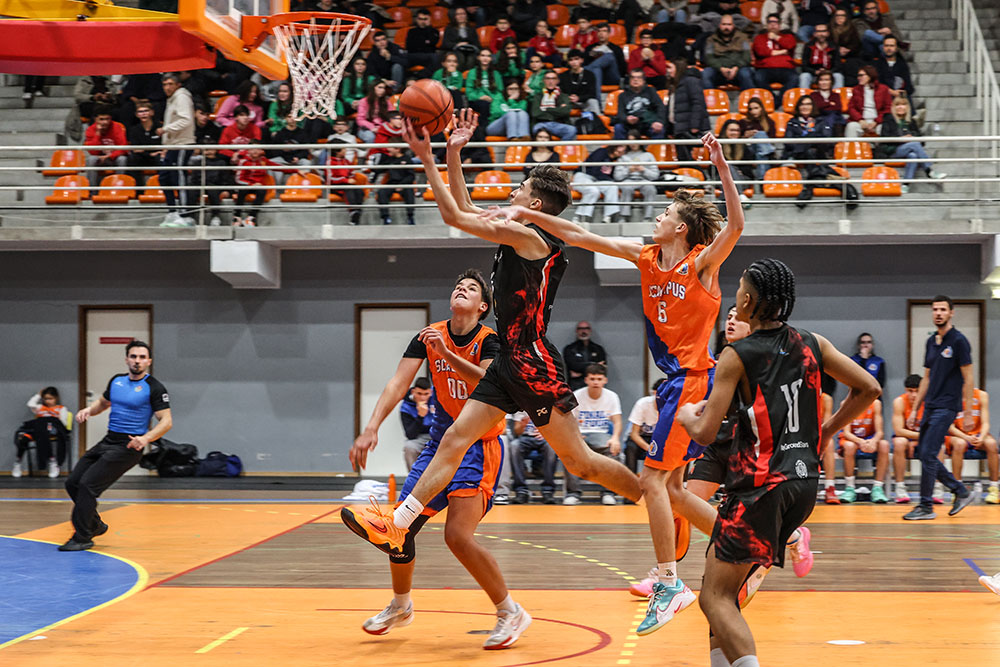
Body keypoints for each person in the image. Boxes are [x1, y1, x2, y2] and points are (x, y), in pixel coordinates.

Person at [341, 111, 643, 565]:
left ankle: (659, 499)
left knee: (580, 463)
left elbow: (450, 214)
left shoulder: (530, 238)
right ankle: (398, 525)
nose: (513, 191)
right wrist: (453, 154)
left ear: (536, 205)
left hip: (535, 361)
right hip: (510, 360)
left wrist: (426, 158)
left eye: (520, 188)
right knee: (454, 438)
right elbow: (462, 209)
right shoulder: (519, 232)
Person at [490, 133, 745, 635]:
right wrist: (530, 215)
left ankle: (669, 580)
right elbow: (582, 235)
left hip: (697, 379)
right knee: (670, 487)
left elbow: (736, 224)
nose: (658, 218)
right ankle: (748, 546)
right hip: (673, 384)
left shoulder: (702, 264)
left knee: (652, 480)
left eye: (666, 214)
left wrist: (720, 166)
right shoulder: (646, 257)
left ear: (683, 227)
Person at [676, 258, 881, 667]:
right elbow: (869, 387)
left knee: (713, 599)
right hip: (803, 485)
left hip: (759, 487)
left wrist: (685, 416)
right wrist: (826, 430)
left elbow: (703, 431)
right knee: (726, 597)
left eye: (738, 289)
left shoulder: (738, 355)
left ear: (749, 301)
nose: (735, 296)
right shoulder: (813, 343)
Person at [347, 269, 530, 650]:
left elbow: (488, 381)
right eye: (458, 286)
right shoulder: (429, 335)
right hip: (439, 444)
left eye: (472, 288)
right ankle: (401, 605)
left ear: (483, 307)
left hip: (479, 445)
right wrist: (371, 427)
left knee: (457, 537)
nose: (461, 289)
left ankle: (510, 611)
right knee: (400, 531)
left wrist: (446, 355)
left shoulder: (491, 341)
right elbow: (398, 383)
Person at [672, 304, 814, 604]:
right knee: (684, 503)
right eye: (729, 317)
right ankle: (666, 575)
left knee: (742, 520)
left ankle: (769, 549)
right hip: (716, 446)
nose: (731, 321)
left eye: (738, 317)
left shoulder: (764, 362)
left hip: (749, 449)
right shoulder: (715, 359)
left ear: (754, 325)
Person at [61, 340, 171, 551]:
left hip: (129, 446)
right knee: (73, 483)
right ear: (127, 359)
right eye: (133, 356)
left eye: (141, 357)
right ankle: (95, 524)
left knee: (87, 486)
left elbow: (166, 422)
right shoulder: (117, 382)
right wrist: (88, 410)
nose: (137, 361)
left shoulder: (154, 387)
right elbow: (102, 404)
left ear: (148, 361)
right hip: (108, 440)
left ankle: (83, 537)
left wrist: (146, 438)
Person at [902, 296, 976, 520]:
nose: (938, 313)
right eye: (935, 310)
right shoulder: (931, 342)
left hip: (947, 406)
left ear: (951, 313)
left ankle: (926, 506)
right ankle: (960, 491)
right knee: (923, 454)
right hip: (931, 406)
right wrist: (915, 409)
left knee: (928, 453)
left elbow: (969, 377)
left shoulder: (959, 341)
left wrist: (970, 412)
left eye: (943, 310)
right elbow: (926, 377)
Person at [564, 363, 623, 505]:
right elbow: (569, 420)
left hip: (602, 436)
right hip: (581, 435)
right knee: (568, 452)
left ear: (605, 380)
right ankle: (573, 493)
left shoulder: (612, 397)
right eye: (592, 379)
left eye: (599, 379)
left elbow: (618, 422)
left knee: (615, 453)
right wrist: (575, 435)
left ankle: (609, 492)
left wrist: (615, 438)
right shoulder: (577, 395)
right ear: (586, 380)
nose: (595, 382)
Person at [826, 397, 890, 503]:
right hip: (852, 439)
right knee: (849, 447)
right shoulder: (846, 403)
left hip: (869, 439)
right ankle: (850, 488)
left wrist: (873, 441)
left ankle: (877, 488)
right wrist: (860, 442)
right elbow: (846, 433)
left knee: (884, 445)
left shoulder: (876, 403)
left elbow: (880, 432)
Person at [879, 96, 945, 192]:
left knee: (913, 155)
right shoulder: (888, 120)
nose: (900, 107)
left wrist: (912, 138)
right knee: (914, 144)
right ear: (893, 107)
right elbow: (884, 140)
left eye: (903, 104)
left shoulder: (911, 122)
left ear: (907, 107)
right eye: (897, 105)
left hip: (909, 151)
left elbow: (922, 142)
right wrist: (901, 139)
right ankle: (929, 171)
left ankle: (905, 184)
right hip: (893, 151)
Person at [946, 388, 999, 504]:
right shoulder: (949, 396)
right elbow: (949, 426)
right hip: (958, 435)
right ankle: (957, 490)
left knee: (992, 443)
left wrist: (982, 437)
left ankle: (994, 488)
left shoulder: (982, 395)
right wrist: (966, 437)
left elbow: (985, 423)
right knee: (960, 444)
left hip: (978, 434)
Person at [157, 73, 196, 228]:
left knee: (178, 176)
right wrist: (165, 146)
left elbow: (186, 119)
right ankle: (172, 211)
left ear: (178, 85)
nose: (167, 87)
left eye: (170, 84)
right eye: (165, 84)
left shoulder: (181, 97)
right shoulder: (172, 99)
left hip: (182, 143)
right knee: (164, 177)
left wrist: (166, 130)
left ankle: (184, 213)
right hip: (172, 144)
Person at [13, 387, 72, 479]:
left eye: (50, 398)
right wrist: (38, 395)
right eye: (45, 399)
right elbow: (30, 404)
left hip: (52, 430)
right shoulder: (40, 407)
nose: (48, 401)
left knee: (44, 429)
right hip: (39, 430)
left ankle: (52, 462)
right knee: (24, 438)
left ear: (56, 398)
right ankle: (18, 462)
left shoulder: (61, 408)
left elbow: (62, 423)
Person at [891, 374, 932, 504]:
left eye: (917, 391)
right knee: (899, 443)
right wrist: (916, 439)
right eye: (910, 391)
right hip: (907, 438)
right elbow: (898, 430)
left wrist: (917, 440)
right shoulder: (899, 402)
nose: (914, 395)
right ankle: (900, 487)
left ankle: (936, 488)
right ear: (905, 390)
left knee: (939, 446)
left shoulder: (929, 402)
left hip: (923, 438)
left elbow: (933, 430)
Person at [509, 411, 558, 504]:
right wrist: (522, 425)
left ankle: (548, 490)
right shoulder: (521, 407)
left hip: (545, 437)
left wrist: (546, 432)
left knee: (552, 448)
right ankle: (521, 490)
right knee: (514, 446)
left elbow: (556, 426)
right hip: (525, 437)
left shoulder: (547, 404)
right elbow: (517, 431)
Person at [571, 144, 625, 224]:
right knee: (593, 191)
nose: (621, 151)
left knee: (612, 187)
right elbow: (594, 171)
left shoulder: (616, 160)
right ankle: (580, 217)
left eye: (624, 149)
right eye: (620, 147)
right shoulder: (601, 152)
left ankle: (609, 216)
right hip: (584, 176)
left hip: (596, 181)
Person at [614, 130, 660, 221]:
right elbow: (617, 176)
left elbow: (655, 175)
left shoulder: (648, 155)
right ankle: (623, 216)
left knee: (650, 188)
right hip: (628, 179)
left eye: (635, 140)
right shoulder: (623, 157)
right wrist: (628, 170)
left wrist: (643, 170)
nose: (633, 144)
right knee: (626, 188)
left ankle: (647, 217)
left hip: (644, 179)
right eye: (630, 141)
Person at [701, 15, 754, 91]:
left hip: (738, 69)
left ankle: (750, 101)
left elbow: (747, 57)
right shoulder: (711, 39)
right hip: (718, 70)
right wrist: (721, 68)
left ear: (733, 26)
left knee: (746, 74)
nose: (726, 27)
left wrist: (736, 68)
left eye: (729, 24)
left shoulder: (743, 38)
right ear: (719, 25)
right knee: (706, 74)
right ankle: (711, 101)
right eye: (724, 24)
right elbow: (709, 58)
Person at [752, 14, 799, 96]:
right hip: (765, 68)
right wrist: (782, 51)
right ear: (766, 25)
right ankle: (772, 98)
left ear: (780, 25)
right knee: (758, 78)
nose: (773, 24)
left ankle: (780, 100)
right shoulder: (759, 38)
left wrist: (776, 37)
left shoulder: (788, 36)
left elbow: (790, 45)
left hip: (786, 68)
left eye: (775, 22)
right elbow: (761, 52)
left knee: (794, 78)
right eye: (770, 22)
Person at [612, 70, 666, 140]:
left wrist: (659, 121)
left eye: (639, 77)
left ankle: (655, 151)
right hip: (630, 125)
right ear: (629, 80)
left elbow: (660, 107)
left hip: (647, 123)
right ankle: (619, 150)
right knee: (618, 127)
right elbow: (620, 113)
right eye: (633, 77)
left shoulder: (651, 91)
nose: (635, 80)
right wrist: (627, 119)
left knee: (659, 129)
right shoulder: (622, 96)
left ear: (644, 81)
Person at [625, 380, 663, 475]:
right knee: (631, 447)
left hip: (659, 439)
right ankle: (631, 482)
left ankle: (675, 483)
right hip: (641, 438)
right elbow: (634, 434)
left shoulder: (672, 407)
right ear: (654, 393)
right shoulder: (642, 404)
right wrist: (649, 448)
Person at [372, 144, 416, 225]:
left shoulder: (407, 159)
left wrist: (402, 184)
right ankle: (386, 217)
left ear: (397, 149)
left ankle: (410, 217)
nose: (387, 149)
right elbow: (378, 170)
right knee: (381, 193)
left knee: (409, 192)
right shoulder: (389, 159)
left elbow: (411, 176)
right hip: (391, 183)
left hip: (404, 184)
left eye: (390, 147)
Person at [325, 140, 365, 225]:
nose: (346, 150)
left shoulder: (346, 161)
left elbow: (351, 172)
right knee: (348, 189)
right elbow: (330, 179)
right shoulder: (329, 162)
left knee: (359, 191)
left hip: (347, 184)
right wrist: (346, 180)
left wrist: (351, 178)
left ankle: (357, 212)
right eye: (344, 149)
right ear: (337, 151)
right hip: (335, 186)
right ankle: (353, 211)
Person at [84, 106, 128, 183]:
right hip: (100, 159)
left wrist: (110, 156)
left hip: (114, 158)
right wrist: (98, 133)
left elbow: (123, 147)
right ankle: (92, 191)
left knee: (122, 159)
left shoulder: (117, 127)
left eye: (107, 119)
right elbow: (93, 152)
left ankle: (120, 187)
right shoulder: (91, 129)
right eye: (101, 119)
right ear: (96, 119)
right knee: (91, 159)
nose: (105, 122)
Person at [845, 65, 891, 138]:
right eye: (858, 76)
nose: (858, 78)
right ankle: (851, 148)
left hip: (878, 122)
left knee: (884, 128)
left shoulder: (883, 89)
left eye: (861, 75)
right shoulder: (856, 89)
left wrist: (876, 121)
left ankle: (882, 149)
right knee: (851, 126)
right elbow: (851, 108)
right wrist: (860, 120)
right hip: (861, 121)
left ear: (870, 75)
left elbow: (888, 108)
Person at [530, 71, 577, 140]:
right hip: (542, 124)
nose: (550, 81)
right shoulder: (537, 96)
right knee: (536, 128)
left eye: (553, 79)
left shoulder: (564, 96)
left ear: (557, 81)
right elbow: (535, 113)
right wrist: (557, 109)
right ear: (544, 80)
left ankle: (561, 150)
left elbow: (565, 111)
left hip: (559, 124)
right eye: (548, 79)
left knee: (571, 130)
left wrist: (546, 109)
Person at [125, 100, 162, 187]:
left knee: (162, 159)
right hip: (143, 157)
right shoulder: (134, 130)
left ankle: (162, 188)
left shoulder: (160, 127)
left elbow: (162, 145)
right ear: (137, 114)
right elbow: (136, 149)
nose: (143, 114)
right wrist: (150, 153)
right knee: (132, 159)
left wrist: (155, 152)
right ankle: (138, 190)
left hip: (157, 156)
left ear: (152, 112)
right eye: (140, 112)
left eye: (146, 111)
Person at [562, 321, 608, 391]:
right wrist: (594, 365)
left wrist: (580, 371)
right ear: (577, 331)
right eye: (580, 328)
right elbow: (573, 366)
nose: (583, 331)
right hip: (575, 386)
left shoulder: (598, 349)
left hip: (594, 387)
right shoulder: (570, 349)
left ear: (590, 330)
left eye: (586, 328)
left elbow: (601, 368)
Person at [399, 378, 434, 470]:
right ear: (413, 392)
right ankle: (414, 480)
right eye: (419, 394)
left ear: (430, 392)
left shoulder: (437, 399)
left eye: (426, 394)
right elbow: (410, 435)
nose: (423, 398)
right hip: (420, 437)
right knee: (409, 447)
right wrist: (420, 416)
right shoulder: (406, 407)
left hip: (438, 435)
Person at [584, 23, 627, 93]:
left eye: (604, 31)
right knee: (597, 70)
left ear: (609, 33)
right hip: (595, 77)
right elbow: (584, 63)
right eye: (599, 31)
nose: (601, 34)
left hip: (612, 77)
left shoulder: (616, 49)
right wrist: (590, 56)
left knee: (609, 55)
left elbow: (623, 69)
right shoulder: (590, 49)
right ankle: (598, 103)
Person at [464, 49, 505, 122]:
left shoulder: (496, 74)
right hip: (477, 101)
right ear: (478, 57)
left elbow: (500, 92)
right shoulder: (472, 73)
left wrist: (492, 99)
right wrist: (480, 97)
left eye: (488, 56)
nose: (485, 58)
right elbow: (469, 92)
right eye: (482, 55)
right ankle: (484, 128)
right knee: (484, 105)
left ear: (491, 58)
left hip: (493, 101)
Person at [799, 22, 844, 90]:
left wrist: (828, 72)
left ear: (828, 33)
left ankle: (836, 99)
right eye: (818, 31)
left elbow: (838, 65)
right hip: (813, 74)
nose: (821, 34)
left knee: (838, 76)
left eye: (823, 31)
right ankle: (805, 99)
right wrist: (815, 72)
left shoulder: (833, 46)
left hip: (830, 73)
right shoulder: (809, 46)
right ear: (814, 34)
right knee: (804, 76)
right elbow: (804, 65)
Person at [559, 50, 601, 116]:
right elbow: (560, 92)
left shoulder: (589, 75)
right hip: (569, 102)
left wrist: (579, 98)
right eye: (571, 60)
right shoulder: (563, 75)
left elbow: (592, 94)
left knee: (593, 101)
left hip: (584, 101)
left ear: (581, 60)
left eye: (576, 59)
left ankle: (597, 122)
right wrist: (568, 98)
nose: (573, 62)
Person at [440, 7, 480, 71]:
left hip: (469, 51)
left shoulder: (472, 29)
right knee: (460, 57)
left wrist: (470, 46)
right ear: (454, 16)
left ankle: (468, 77)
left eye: (463, 14)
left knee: (471, 59)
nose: (461, 16)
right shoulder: (449, 28)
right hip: (454, 50)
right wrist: (457, 45)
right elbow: (445, 44)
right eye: (458, 14)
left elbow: (477, 44)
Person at [405, 9, 441, 75]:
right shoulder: (411, 31)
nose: (422, 21)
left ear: (429, 19)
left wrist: (428, 27)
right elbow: (409, 46)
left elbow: (433, 43)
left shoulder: (434, 31)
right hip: (414, 56)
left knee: (435, 57)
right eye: (420, 19)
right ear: (416, 19)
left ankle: (421, 75)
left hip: (428, 57)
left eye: (425, 19)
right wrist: (425, 42)